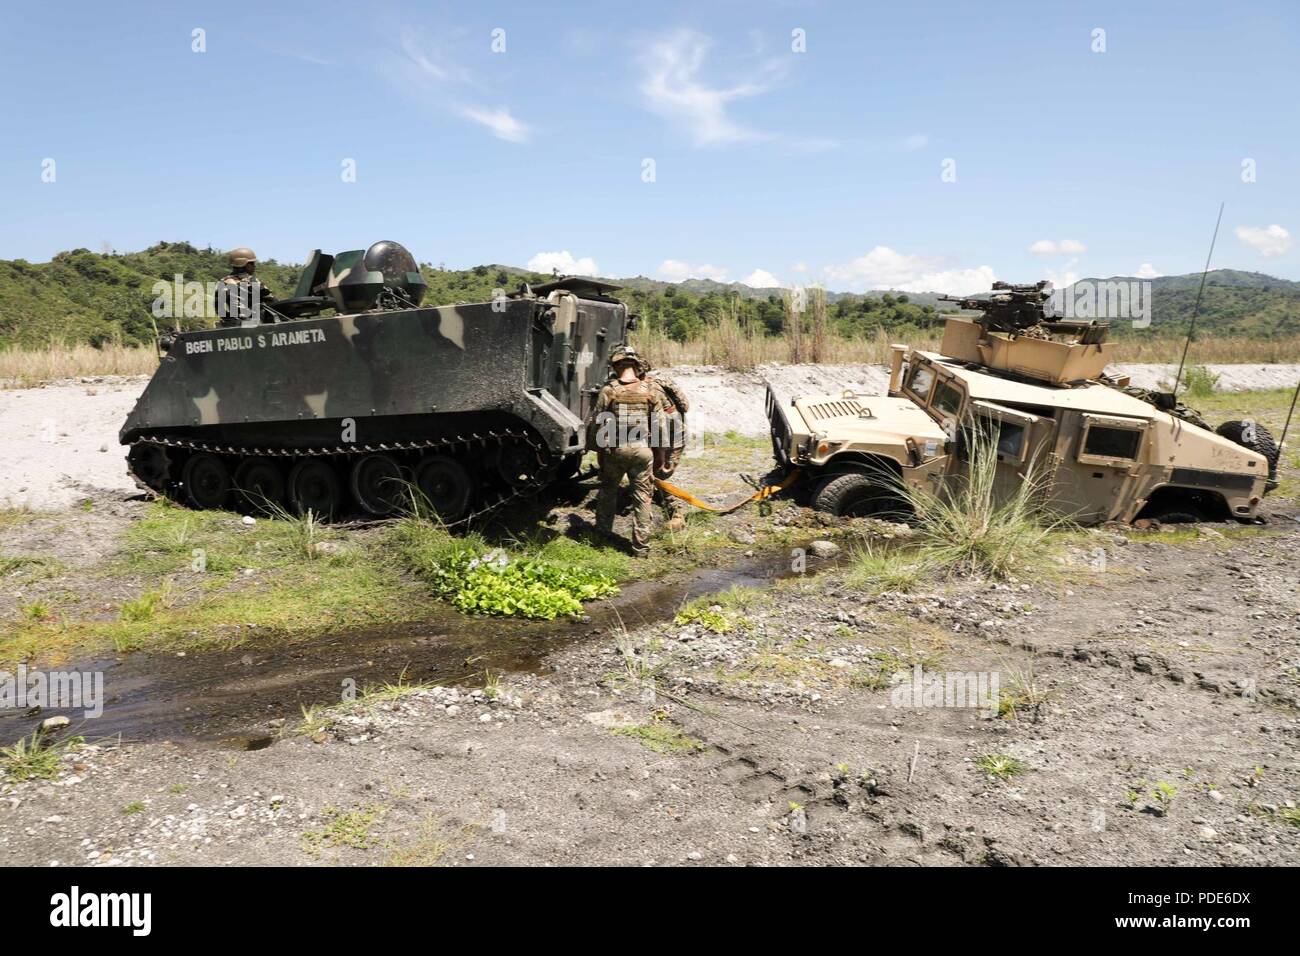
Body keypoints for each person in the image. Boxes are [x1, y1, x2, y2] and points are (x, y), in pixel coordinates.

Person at [586, 346, 667, 557]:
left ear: (616, 366)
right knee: (642, 496)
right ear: (636, 366)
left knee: (608, 490)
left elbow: (596, 422)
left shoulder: (609, 390)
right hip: (642, 450)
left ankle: (602, 536)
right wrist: (660, 455)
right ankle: (641, 548)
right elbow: (660, 426)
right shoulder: (650, 390)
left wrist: (597, 449)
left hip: (616, 449)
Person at [645, 364, 691, 532]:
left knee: (661, 472)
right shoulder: (648, 385)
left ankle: (675, 510)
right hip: (664, 433)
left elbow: (661, 425)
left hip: (673, 436)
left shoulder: (652, 389)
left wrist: (660, 453)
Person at [213, 247, 277, 327]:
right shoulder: (228, 282)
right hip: (244, 324)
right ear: (244, 264)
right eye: (252, 263)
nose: (254, 266)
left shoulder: (223, 282)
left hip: (253, 322)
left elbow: (271, 300)